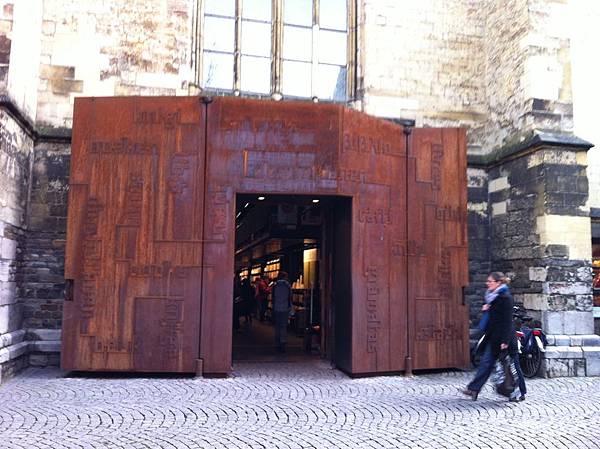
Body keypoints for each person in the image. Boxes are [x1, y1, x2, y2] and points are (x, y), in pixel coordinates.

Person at [463, 272, 526, 401]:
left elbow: (507, 321)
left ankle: (520, 391)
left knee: (513, 366)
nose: (488, 283)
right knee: (486, 363)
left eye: (490, 281)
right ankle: (473, 389)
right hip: (493, 338)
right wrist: (487, 309)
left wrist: (505, 341)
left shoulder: (505, 298)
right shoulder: (493, 297)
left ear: (498, 283)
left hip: (505, 339)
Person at [271, 271, 292, 352]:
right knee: (283, 326)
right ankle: (283, 342)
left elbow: (273, 297)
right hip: (285, 308)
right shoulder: (287, 286)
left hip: (277, 307)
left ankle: (277, 342)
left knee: (277, 326)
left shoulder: (275, 286)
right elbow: (290, 297)